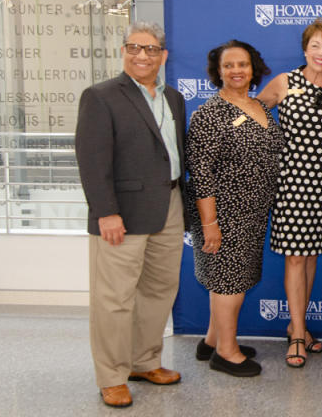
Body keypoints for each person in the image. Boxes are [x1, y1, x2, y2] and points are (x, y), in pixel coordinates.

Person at [75, 22, 186, 407]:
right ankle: (111, 375)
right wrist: (106, 212)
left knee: (158, 292)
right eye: (135, 48)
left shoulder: (173, 98)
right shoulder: (101, 96)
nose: (143, 55)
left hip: (169, 207)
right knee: (114, 298)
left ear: (163, 56)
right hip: (121, 214)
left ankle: (144, 362)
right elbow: (92, 161)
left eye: (151, 49)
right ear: (123, 51)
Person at [186, 40, 282, 377]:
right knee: (229, 283)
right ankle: (226, 353)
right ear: (218, 71)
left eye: (242, 64)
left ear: (253, 67)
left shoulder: (256, 105)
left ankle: (213, 340)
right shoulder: (210, 114)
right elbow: (200, 173)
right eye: (229, 65)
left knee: (230, 279)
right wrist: (210, 223)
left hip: (252, 213)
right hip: (223, 213)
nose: (236, 70)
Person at [258, 19, 322, 368]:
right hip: (291, 185)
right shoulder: (285, 82)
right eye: (316, 45)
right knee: (295, 258)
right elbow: (254, 114)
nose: (321, 53)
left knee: (310, 258)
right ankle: (296, 336)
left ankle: (300, 325)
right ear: (304, 48)